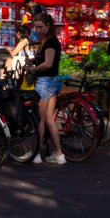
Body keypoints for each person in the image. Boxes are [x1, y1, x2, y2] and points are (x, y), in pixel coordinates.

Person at [28, 12, 66, 165]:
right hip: (53, 81)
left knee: (40, 120)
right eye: (35, 27)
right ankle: (59, 154)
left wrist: (33, 69)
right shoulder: (49, 41)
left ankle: (36, 154)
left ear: (48, 26)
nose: (37, 30)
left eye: (40, 27)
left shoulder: (50, 43)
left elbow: (48, 63)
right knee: (50, 120)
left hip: (45, 82)